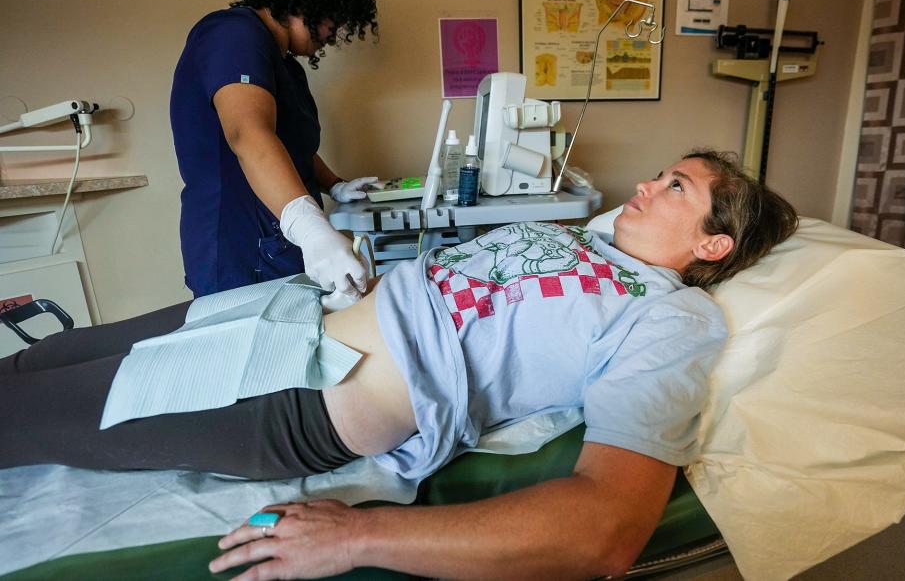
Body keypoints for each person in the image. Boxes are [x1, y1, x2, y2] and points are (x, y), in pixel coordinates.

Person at [0, 150, 797, 580]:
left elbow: (606, 529)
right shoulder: (580, 237)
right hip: (268, 316)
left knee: (16, 418)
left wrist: (360, 537)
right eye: (659, 173)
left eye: (675, 186)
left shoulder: (670, 317)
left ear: (711, 245)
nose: (644, 184)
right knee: (33, 368)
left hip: (296, 397)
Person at [170, 0, 379, 300]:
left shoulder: (284, 65)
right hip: (241, 247)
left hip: (274, 239)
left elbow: (288, 143)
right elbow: (248, 135)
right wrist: (310, 227)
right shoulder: (233, 35)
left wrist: (335, 185)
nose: (333, 33)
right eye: (334, 18)